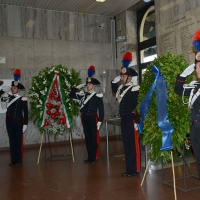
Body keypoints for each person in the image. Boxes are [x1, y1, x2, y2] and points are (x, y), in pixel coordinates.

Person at [174, 29, 200, 177]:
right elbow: (178, 90)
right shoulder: (195, 87)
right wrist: (183, 75)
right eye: (197, 66)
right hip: (195, 130)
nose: (198, 69)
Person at [111, 52, 141, 177]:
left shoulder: (135, 88)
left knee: (133, 145)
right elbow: (114, 88)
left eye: (123, 76)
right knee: (126, 144)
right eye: (121, 75)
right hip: (124, 119)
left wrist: (138, 122)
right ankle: (129, 169)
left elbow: (139, 107)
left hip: (131, 120)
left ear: (129, 77)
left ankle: (135, 169)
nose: (121, 78)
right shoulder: (120, 89)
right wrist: (115, 80)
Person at [69, 65, 104, 163]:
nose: (88, 86)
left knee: (94, 138)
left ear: (93, 85)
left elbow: (101, 109)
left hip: (93, 119)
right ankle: (90, 156)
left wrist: (100, 120)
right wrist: (78, 86)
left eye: (89, 84)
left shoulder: (97, 96)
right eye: (87, 84)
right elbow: (71, 94)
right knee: (88, 138)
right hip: (85, 118)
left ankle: (95, 157)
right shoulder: (83, 95)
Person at [0, 69, 28, 166]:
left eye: (15, 88)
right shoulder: (8, 97)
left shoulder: (23, 99)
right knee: (12, 141)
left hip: (18, 121)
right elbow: (1, 94)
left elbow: (26, 113)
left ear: (18, 89)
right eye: (12, 88)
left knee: (18, 141)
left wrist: (25, 124)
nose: (13, 89)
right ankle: (13, 160)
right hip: (9, 121)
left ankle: (19, 159)